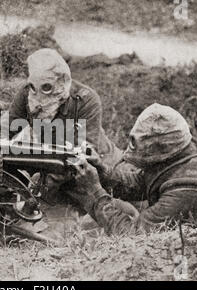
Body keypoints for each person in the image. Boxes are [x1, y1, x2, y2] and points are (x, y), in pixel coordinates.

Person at [74, 103, 197, 235]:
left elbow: (133, 236)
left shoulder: (190, 185)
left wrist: (95, 192)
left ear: (160, 152)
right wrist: (101, 170)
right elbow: (142, 182)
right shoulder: (184, 148)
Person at [8, 48, 135, 207]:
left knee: (102, 213)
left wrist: (41, 187)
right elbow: (7, 132)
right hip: (53, 161)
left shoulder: (86, 100)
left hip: (96, 166)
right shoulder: (27, 92)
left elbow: (81, 155)